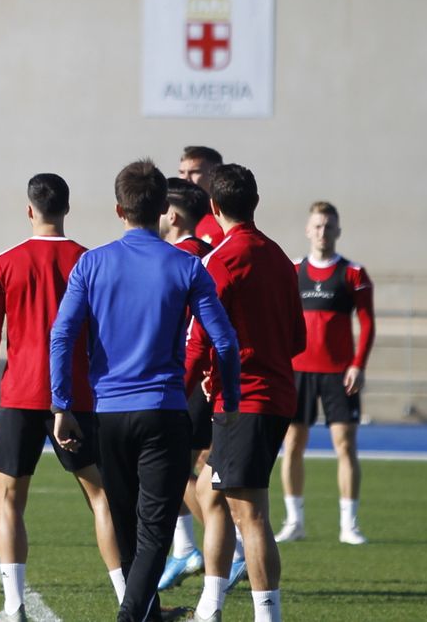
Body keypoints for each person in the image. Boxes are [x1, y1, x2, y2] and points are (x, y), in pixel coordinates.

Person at [50, 160, 241, 622]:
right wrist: (228, 403)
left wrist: (61, 405)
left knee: (129, 522)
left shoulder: (91, 263)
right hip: (163, 411)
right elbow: (225, 341)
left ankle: (138, 613)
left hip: (109, 415)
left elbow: (61, 336)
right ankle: (133, 615)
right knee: (155, 529)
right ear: (161, 209)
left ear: (119, 209)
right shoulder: (187, 265)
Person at [0, 173, 123, 622]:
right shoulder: (91, 259)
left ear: (29, 209)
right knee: (102, 499)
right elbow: (106, 332)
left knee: (10, 503)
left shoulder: (4, 261)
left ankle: (14, 608)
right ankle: (130, 602)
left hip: (19, 394)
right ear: (67, 208)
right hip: (76, 398)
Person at [184, 164, 306, 622]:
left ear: (214, 207)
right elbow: (298, 340)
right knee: (209, 492)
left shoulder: (221, 258)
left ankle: (266, 615)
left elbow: (200, 336)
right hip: (272, 395)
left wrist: (182, 386)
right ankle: (210, 605)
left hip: (245, 400)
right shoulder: (278, 258)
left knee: (249, 514)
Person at [276, 201, 375, 546]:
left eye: (329, 226)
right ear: (308, 230)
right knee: (292, 445)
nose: (322, 232)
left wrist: (358, 364)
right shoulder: (292, 270)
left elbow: (367, 323)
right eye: (317, 226)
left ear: (338, 231)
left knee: (345, 446)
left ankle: (349, 524)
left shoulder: (353, 273)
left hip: (338, 374)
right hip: (298, 371)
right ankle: (295, 520)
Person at [157, 178, 213, 591]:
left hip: (183, 381)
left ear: (172, 216)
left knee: (171, 471)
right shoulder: (209, 255)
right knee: (183, 470)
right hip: (200, 379)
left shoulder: (178, 260)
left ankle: (222, 549)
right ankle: (186, 549)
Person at [177, 147, 225, 247]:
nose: (185, 178)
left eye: (194, 172)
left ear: (214, 175)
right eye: (182, 172)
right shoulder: (170, 217)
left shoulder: (226, 219)